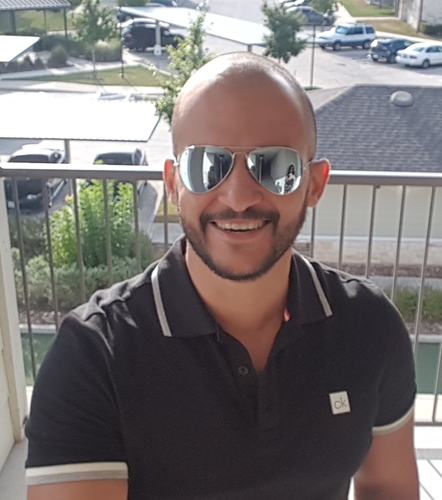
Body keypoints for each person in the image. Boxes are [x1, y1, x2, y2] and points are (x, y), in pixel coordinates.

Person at [25, 52, 419, 500]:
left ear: (314, 184)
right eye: (207, 165)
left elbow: (388, 485)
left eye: (276, 167)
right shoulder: (95, 355)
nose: (237, 197)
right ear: (174, 184)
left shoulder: (369, 326)